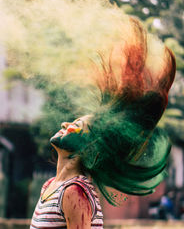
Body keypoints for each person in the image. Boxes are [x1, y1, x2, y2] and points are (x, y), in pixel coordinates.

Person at [30, 16, 176, 228]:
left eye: (77, 127)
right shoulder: (50, 186)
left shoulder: (75, 192)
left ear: (88, 148)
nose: (65, 124)